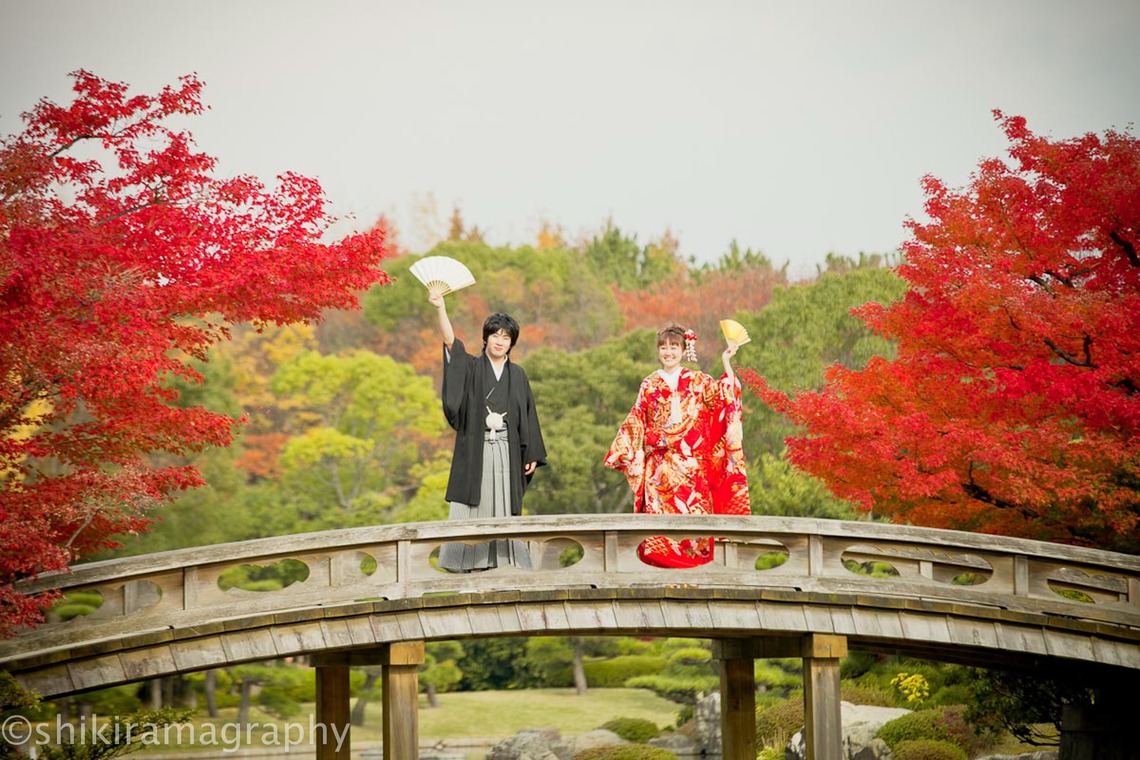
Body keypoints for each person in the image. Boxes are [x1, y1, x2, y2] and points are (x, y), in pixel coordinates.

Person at [604, 324, 750, 568]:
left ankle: (691, 581)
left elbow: (724, 398)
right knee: (660, 529)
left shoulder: (698, 380)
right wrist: (623, 450)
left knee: (693, 525)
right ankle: (664, 579)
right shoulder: (649, 384)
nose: (668, 352)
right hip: (659, 469)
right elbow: (637, 418)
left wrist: (726, 362)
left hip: (691, 468)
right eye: (663, 347)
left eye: (674, 347)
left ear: (684, 350)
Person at [430, 290, 546, 571]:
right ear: (486, 338)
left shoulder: (517, 375)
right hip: (477, 448)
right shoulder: (471, 367)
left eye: (506, 337)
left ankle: (506, 562)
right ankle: (464, 562)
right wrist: (441, 307)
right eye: (496, 335)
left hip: (507, 450)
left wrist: (531, 452)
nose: (500, 341)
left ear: (511, 343)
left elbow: (528, 414)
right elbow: (450, 342)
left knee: (504, 503)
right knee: (472, 501)